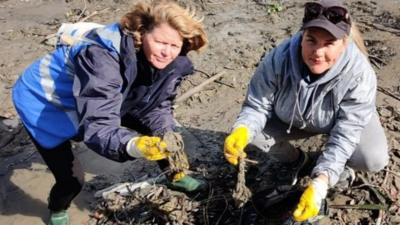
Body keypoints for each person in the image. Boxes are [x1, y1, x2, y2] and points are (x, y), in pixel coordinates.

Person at [12, 1, 208, 224]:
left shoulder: (173, 60)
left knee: (166, 134)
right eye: (160, 42)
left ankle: (177, 175)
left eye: (174, 45)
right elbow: (99, 126)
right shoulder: (101, 58)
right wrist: (134, 145)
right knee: (71, 179)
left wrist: (165, 131)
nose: (166, 52)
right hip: (46, 102)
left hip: (100, 93)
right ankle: (58, 210)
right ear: (141, 33)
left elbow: (158, 105)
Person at [223, 0, 388, 223]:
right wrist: (242, 129)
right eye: (311, 40)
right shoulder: (278, 58)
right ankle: (298, 160)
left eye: (329, 43)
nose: (318, 52)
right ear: (302, 36)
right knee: (251, 138)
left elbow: (346, 133)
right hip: (290, 119)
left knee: (373, 158)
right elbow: (256, 106)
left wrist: (321, 181)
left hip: (337, 123)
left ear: (344, 43)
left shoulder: (360, 75)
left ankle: (340, 170)